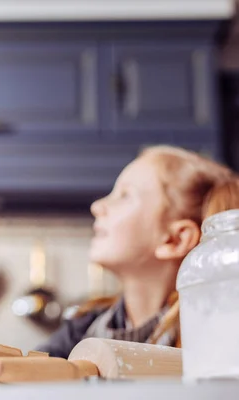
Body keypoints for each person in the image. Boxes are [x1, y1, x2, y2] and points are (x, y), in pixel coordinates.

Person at [37, 145, 236, 359]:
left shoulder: (217, 337)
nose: (97, 206)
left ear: (174, 240)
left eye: (124, 195)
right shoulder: (80, 330)